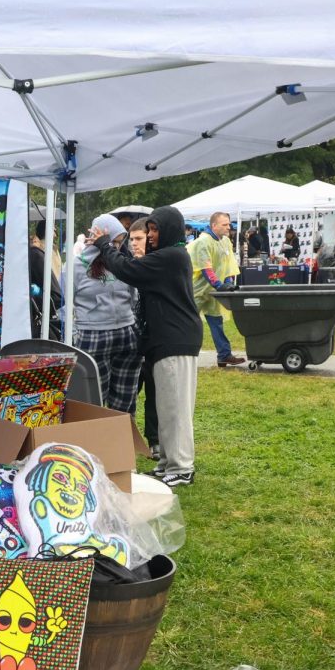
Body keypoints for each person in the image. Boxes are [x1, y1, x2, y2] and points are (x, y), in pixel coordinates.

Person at [90, 206, 202, 487]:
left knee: (176, 407)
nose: (150, 235)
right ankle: (167, 463)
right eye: (149, 230)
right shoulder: (167, 257)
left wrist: (105, 244)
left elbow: (128, 269)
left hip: (175, 340)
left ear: (169, 230)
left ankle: (182, 467)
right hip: (165, 340)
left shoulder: (172, 256)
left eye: (154, 230)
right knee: (165, 407)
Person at [73, 214, 142, 414]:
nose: (117, 247)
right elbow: (67, 301)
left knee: (126, 399)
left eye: (121, 242)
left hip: (126, 334)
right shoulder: (78, 266)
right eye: (114, 242)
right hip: (92, 335)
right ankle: (96, 441)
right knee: (94, 400)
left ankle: (122, 440)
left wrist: (134, 325)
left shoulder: (120, 262)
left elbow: (133, 296)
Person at [188, 211, 245, 367]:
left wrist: (227, 282)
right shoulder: (203, 242)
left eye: (229, 224)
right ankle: (183, 353)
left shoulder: (225, 241)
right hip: (198, 290)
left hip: (213, 290)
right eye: (224, 224)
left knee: (216, 322)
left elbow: (228, 264)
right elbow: (206, 268)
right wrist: (220, 286)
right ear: (214, 225)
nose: (229, 227)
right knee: (189, 323)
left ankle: (224, 355)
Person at [128, 218, 159, 457]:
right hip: (130, 338)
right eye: (131, 239)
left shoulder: (156, 266)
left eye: (139, 239)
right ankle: (127, 437)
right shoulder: (125, 266)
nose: (134, 244)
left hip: (152, 339)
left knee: (154, 392)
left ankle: (154, 440)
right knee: (129, 392)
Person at [29, 223, 63, 338]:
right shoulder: (38, 253)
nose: (55, 233)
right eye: (53, 230)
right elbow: (56, 297)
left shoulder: (51, 249)